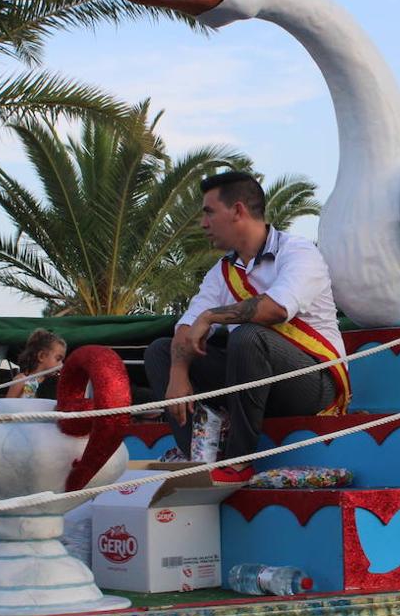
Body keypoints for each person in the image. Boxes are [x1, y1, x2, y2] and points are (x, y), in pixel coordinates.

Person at [144, 171, 349, 478]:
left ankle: (239, 460)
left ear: (238, 210)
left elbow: (275, 309)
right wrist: (178, 372)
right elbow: (186, 330)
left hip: (312, 383)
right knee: (160, 351)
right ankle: (198, 461)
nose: (203, 223)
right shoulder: (222, 272)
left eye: (209, 212)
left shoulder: (298, 252)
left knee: (250, 336)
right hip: (250, 378)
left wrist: (211, 316)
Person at [11, 329, 66, 397]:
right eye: (58, 359)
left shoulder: (55, 384)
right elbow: (7, 405)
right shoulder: (21, 380)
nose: (61, 365)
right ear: (41, 356)